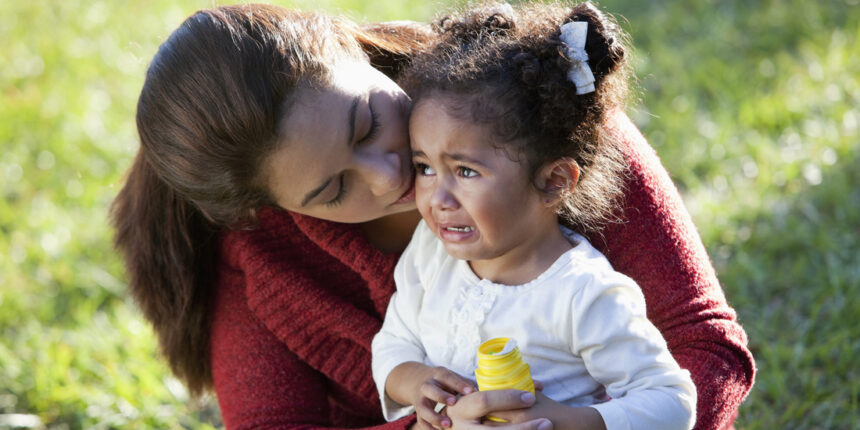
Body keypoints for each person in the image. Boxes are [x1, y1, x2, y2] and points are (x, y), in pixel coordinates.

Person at [110, 2, 754, 429]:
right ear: (268, 210)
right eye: (333, 190)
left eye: (367, 123)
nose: (390, 177)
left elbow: (704, 345)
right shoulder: (261, 257)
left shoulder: (538, 108)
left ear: (352, 49)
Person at [371, 3, 695, 430]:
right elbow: (394, 343)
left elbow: (672, 403)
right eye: (425, 167)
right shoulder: (430, 253)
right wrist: (415, 382)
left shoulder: (583, 294)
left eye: (466, 171)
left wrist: (567, 421)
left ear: (554, 181)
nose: (437, 197)